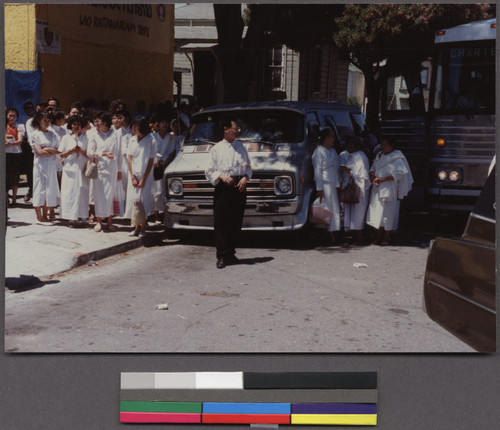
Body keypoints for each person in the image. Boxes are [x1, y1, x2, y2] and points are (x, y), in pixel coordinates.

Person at [205, 117, 252, 268]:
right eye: (234, 128)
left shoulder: (241, 147)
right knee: (222, 222)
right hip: (223, 187)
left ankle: (231, 252)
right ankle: (222, 255)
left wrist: (245, 178)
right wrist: (221, 176)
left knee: (235, 220)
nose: (237, 131)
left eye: (238, 128)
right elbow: (209, 170)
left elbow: (249, 166)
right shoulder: (216, 149)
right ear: (225, 129)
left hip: (239, 186)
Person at [366, 137, 413, 246]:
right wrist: (373, 175)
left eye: (385, 145)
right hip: (377, 188)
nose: (382, 147)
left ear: (392, 146)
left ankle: (386, 238)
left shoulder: (397, 157)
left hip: (389, 188)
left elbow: (400, 173)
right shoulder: (379, 155)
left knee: (388, 213)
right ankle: (378, 236)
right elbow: (373, 167)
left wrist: (384, 179)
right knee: (377, 212)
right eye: (381, 144)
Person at [87, 111, 122, 232]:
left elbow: (119, 153)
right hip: (99, 170)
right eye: (94, 121)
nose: (95, 123)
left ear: (105, 122)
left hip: (112, 169)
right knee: (99, 196)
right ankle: (99, 221)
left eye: (98, 121)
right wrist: (103, 154)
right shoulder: (94, 135)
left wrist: (120, 170)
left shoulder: (116, 134)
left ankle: (110, 222)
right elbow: (89, 152)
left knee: (110, 196)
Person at [124, 116, 155, 237]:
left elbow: (151, 161)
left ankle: (143, 228)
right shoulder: (132, 140)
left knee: (144, 201)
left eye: (135, 126)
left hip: (145, 175)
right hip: (134, 175)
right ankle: (135, 227)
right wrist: (132, 176)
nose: (133, 128)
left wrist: (143, 179)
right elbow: (130, 159)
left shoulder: (151, 140)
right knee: (134, 201)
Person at [58, 115, 89, 227]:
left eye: (78, 124)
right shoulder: (66, 138)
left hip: (82, 168)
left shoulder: (86, 138)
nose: (76, 126)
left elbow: (90, 154)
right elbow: (61, 154)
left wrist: (81, 151)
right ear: (70, 125)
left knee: (83, 192)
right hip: (69, 170)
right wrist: (71, 150)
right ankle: (71, 219)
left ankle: (84, 217)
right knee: (70, 193)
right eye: (74, 124)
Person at [30, 110, 60, 225]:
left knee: (49, 189)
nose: (47, 122)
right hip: (40, 165)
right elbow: (40, 152)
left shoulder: (53, 134)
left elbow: (58, 150)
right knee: (39, 188)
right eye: (44, 120)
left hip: (51, 165)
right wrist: (49, 150)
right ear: (39, 120)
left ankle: (45, 215)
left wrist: (48, 149)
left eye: (49, 120)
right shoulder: (35, 135)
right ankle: (39, 217)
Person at [339, 135, 371, 244]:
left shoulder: (359, 156)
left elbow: (360, 174)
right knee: (353, 211)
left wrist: (346, 170)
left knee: (358, 212)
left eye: (350, 145)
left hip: (359, 188)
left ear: (354, 145)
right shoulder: (356, 155)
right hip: (355, 187)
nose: (348, 147)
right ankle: (354, 234)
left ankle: (359, 235)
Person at [312, 128, 341, 242]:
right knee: (325, 209)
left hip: (333, 183)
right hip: (324, 184)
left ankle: (332, 231)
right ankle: (326, 233)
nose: (333, 139)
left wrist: (338, 183)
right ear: (327, 138)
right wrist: (319, 188)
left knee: (334, 208)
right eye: (332, 137)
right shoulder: (319, 151)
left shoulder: (333, 151)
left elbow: (336, 168)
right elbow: (317, 170)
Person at [151, 117, 180, 223]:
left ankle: (167, 214)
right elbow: (152, 151)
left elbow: (173, 152)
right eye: (163, 122)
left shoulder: (171, 136)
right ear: (158, 124)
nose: (165, 125)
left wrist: (166, 162)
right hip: (157, 165)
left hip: (168, 165)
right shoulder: (153, 136)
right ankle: (156, 215)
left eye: (167, 123)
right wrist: (159, 162)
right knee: (157, 191)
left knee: (167, 190)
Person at [5, 108, 24, 206]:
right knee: (5, 176)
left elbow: (20, 140)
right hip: (5, 153)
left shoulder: (20, 126)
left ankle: (14, 198)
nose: (12, 118)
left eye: (14, 116)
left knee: (15, 176)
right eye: (10, 115)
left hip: (16, 153)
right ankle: (6, 198)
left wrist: (11, 144)